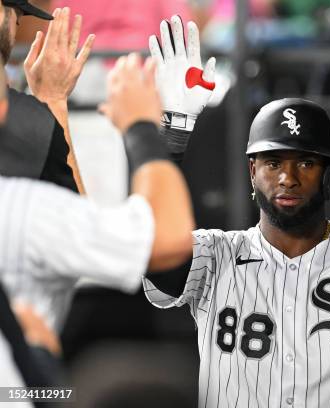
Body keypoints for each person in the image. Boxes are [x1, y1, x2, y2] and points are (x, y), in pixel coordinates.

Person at [144, 16, 330, 407]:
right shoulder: (215, 254)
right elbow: (154, 252)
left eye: (306, 163)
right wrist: (175, 129)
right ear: (252, 172)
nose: (288, 177)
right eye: (273, 163)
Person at [0, 51, 195, 362]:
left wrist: (52, 103)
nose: (9, 82)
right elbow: (166, 237)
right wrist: (142, 125)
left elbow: (73, 218)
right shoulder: (20, 208)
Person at [0, 2, 95, 193]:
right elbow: (75, 218)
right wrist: (54, 100)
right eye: (17, 19)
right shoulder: (29, 121)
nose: (15, 33)